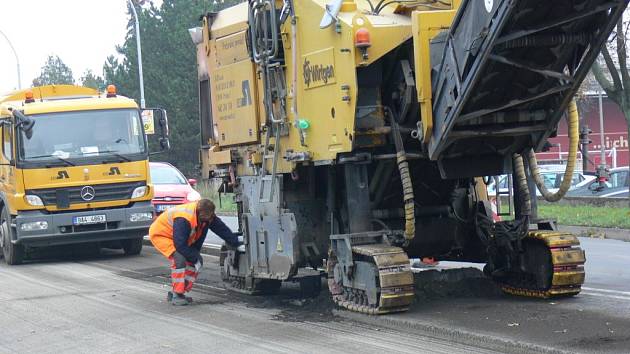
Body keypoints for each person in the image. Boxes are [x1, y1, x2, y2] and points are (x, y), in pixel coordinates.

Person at [149, 199, 240, 305]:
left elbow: (221, 229)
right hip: (161, 235)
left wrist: (236, 243)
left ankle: (180, 292)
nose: (211, 220)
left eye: (212, 216)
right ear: (199, 213)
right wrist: (194, 257)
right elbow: (180, 245)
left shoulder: (206, 215)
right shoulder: (183, 219)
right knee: (180, 259)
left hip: (177, 237)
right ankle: (176, 295)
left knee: (194, 260)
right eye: (208, 217)